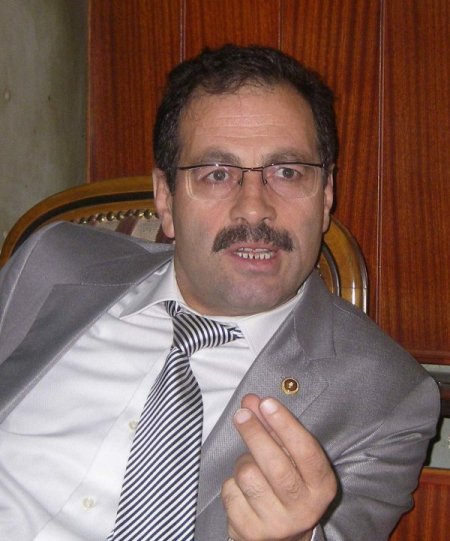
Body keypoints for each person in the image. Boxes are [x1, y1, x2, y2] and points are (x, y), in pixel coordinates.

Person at [0, 44, 439, 541]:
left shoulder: (386, 397)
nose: (254, 209)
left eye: (287, 172)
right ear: (166, 199)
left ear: (326, 197)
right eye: (217, 174)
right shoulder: (52, 262)